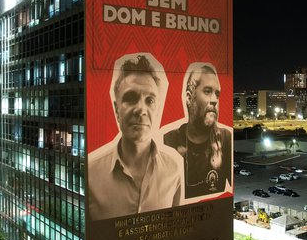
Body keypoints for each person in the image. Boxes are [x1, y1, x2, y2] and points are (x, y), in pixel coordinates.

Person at [88, 53, 183, 221]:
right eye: (131, 98)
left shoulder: (174, 168)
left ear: (158, 109)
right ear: (117, 110)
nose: (141, 109)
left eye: (150, 100)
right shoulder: (90, 172)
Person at [163, 63, 232, 199]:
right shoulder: (168, 141)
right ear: (189, 97)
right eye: (207, 91)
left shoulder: (225, 138)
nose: (214, 100)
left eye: (217, 94)